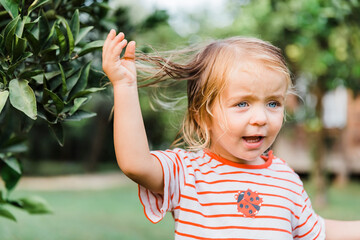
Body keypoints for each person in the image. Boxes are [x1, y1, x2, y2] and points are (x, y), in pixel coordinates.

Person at [102, 29, 360, 240]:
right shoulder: (188, 173)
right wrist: (124, 86)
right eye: (242, 104)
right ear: (202, 116)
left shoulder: (286, 179)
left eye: (273, 103)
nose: (260, 118)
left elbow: (318, 230)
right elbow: (134, 163)